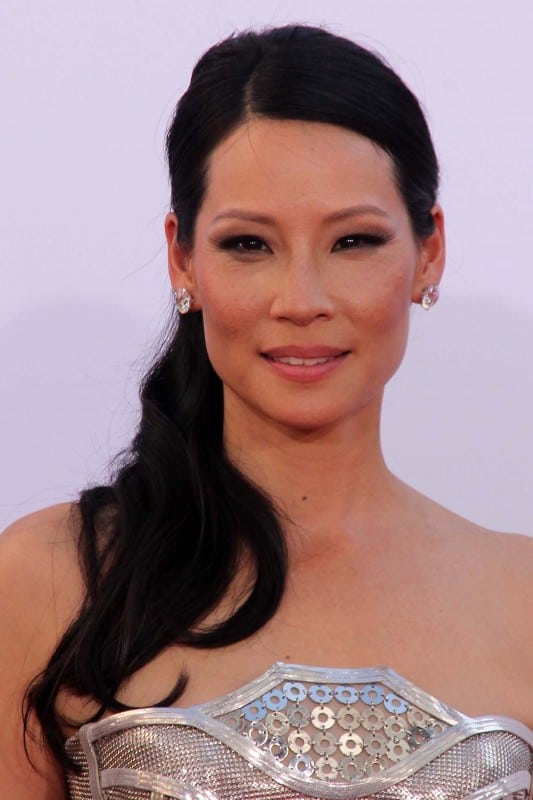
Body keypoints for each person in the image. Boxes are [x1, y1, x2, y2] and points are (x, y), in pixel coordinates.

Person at [0, 24, 531, 800]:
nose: (300, 300)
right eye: (249, 245)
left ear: (428, 253)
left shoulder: (521, 597)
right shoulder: (51, 576)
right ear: (183, 258)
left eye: (353, 241)